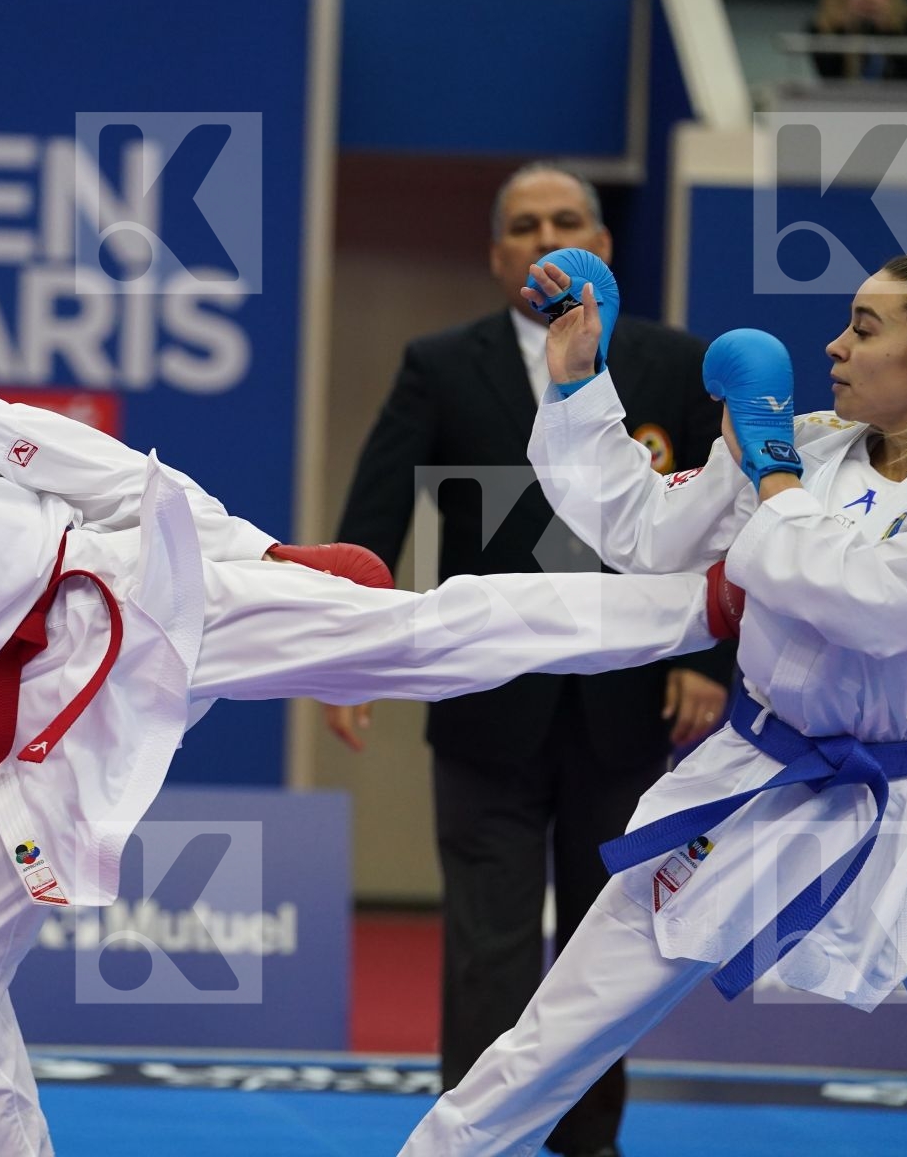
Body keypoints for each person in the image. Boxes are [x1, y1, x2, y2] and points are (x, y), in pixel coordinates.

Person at [0, 260, 729, 1157]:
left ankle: (703, 603)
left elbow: (87, 466)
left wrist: (266, 552)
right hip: (36, 724)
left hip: (129, 599)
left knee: (421, 636)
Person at [399, 250, 907, 1155]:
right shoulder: (806, 441)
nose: (833, 346)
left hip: (905, 810)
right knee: (551, 1040)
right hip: (748, 782)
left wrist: (774, 476)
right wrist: (582, 376)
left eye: (864, 328)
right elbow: (649, 534)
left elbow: (867, 605)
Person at [329, 164, 732, 1157]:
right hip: (481, 698)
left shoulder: (670, 363)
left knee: (607, 945)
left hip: (626, 702)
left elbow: (722, 518)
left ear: (597, 241)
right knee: (486, 946)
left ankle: (587, 1142)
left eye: (564, 219)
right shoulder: (439, 362)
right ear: (497, 255)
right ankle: (475, 1138)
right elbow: (374, 512)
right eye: (522, 225)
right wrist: (349, 655)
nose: (543, 235)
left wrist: (710, 665)